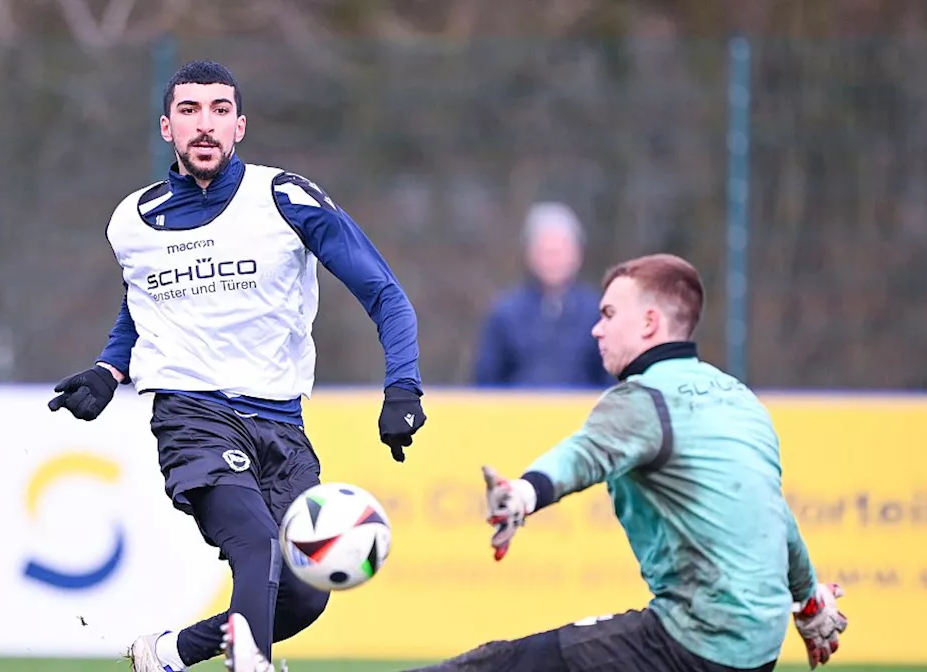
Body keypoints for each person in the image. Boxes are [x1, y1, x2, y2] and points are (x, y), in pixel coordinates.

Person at [222, 253, 847, 672]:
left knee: (490, 667)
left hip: (690, 642)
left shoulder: (640, 401)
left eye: (608, 315)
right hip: (754, 649)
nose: (596, 331)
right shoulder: (739, 400)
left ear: (652, 322)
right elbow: (778, 520)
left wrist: (523, 494)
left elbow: (582, 457)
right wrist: (810, 605)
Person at [45, 60, 427, 672]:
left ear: (240, 126)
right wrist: (107, 370)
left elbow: (387, 295)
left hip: (281, 424)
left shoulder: (285, 200)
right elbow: (142, 306)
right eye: (190, 111)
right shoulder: (131, 221)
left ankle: (169, 652)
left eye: (220, 110)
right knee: (256, 547)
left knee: (303, 595)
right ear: (167, 127)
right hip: (192, 418)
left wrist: (403, 386)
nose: (205, 125)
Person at [473, 202, 615, 389]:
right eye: (546, 252)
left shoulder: (596, 312)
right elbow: (486, 381)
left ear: (577, 255)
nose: (553, 260)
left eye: (559, 252)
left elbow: (609, 377)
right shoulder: (505, 313)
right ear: (530, 255)